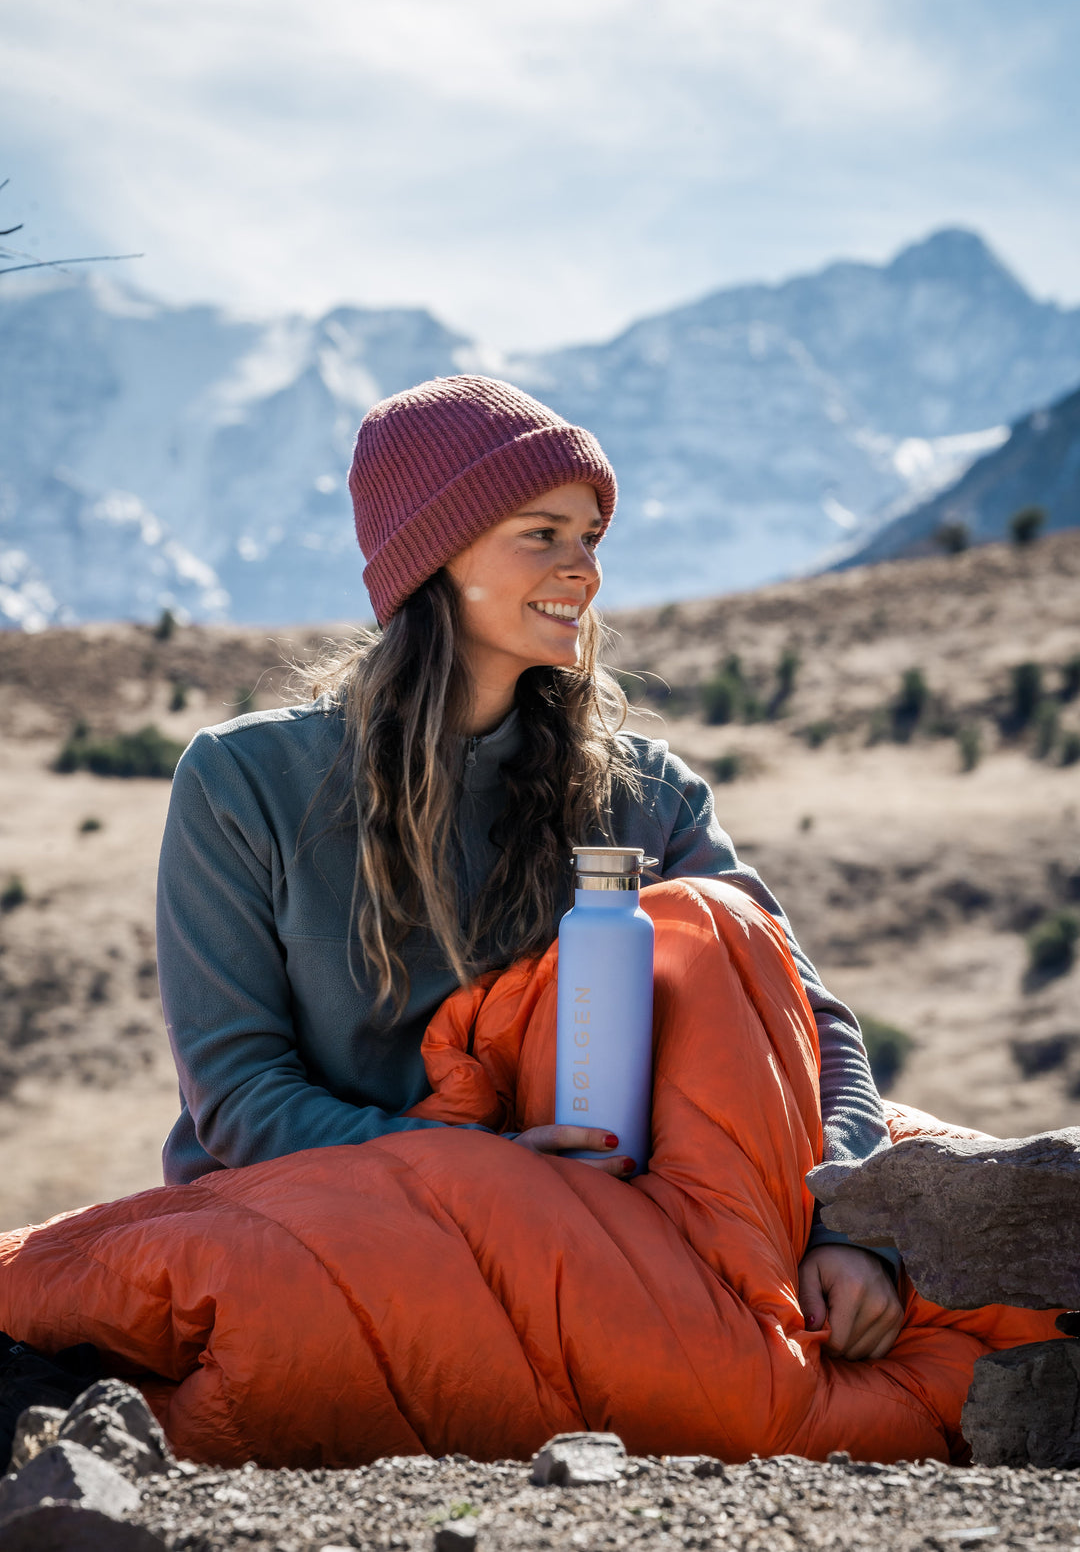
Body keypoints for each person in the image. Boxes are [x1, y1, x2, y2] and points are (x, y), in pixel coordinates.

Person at [156, 374, 903, 1368]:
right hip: (326, 1216)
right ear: (438, 554)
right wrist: (494, 1178)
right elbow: (242, 1098)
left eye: (590, 538)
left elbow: (807, 1026)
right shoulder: (244, 781)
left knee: (968, 1276)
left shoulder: (648, 795)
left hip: (602, 1227)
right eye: (541, 534)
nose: (583, 571)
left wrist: (844, 1223)